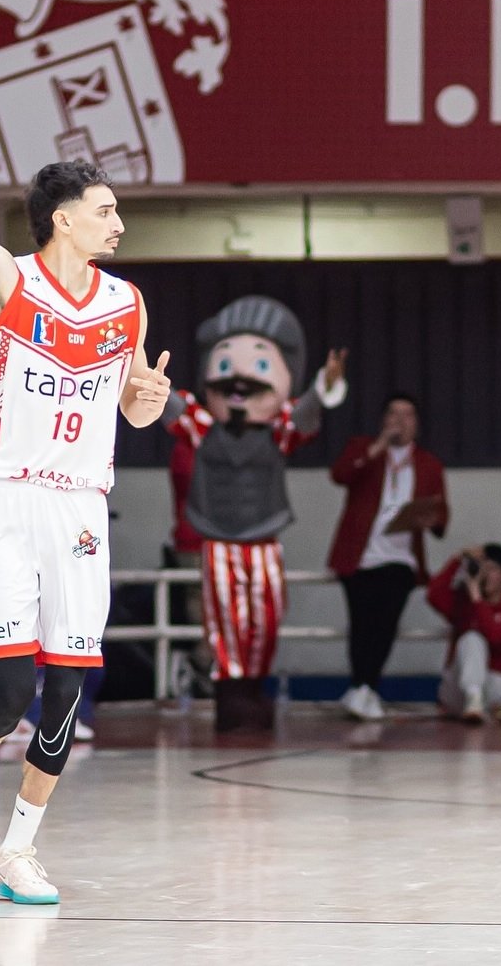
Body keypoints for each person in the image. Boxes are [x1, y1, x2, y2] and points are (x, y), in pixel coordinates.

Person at [0, 12, 172, 905]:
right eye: (105, 210)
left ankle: (17, 850)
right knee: (12, 685)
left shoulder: (127, 303)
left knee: (65, 688)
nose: (118, 223)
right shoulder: (5, 279)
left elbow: (131, 402)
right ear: (62, 218)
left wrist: (146, 400)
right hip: (8, 497)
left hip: (79, 508)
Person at [164, 297, 347, 731]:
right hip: (217, 538)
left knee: (266, 616)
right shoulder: (201, 426)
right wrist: (138, 371)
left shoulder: (279, 430)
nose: (240, 379)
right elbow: (168, 406)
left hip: (265, 537)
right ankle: (231, 693)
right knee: (224, 618)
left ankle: (253, 685)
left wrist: (322, 389)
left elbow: (304, 416)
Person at [327, 393, 449, 721]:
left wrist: (430, 519)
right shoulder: (363, 448)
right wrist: (378, 446)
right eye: (394, 414)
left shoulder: (428, 464)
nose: (400, 421)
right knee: (361, 624)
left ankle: (365, 687)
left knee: (385, 623)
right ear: (383, 420)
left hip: (401, 559)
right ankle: (362, 689)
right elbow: (340, 475)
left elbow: (442, 514)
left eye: (408, 415)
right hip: (359, 556)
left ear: (417, 424)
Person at [427, 544, 501, 725]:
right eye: (481, 569)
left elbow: (496, 637)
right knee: (471, 638)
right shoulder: (462, 600)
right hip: (460, 688)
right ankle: (474, 700)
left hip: (495, 683)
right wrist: (458, 558)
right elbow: (434, 594)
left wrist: (477, 599)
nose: (485, 575)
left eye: (491, 569)